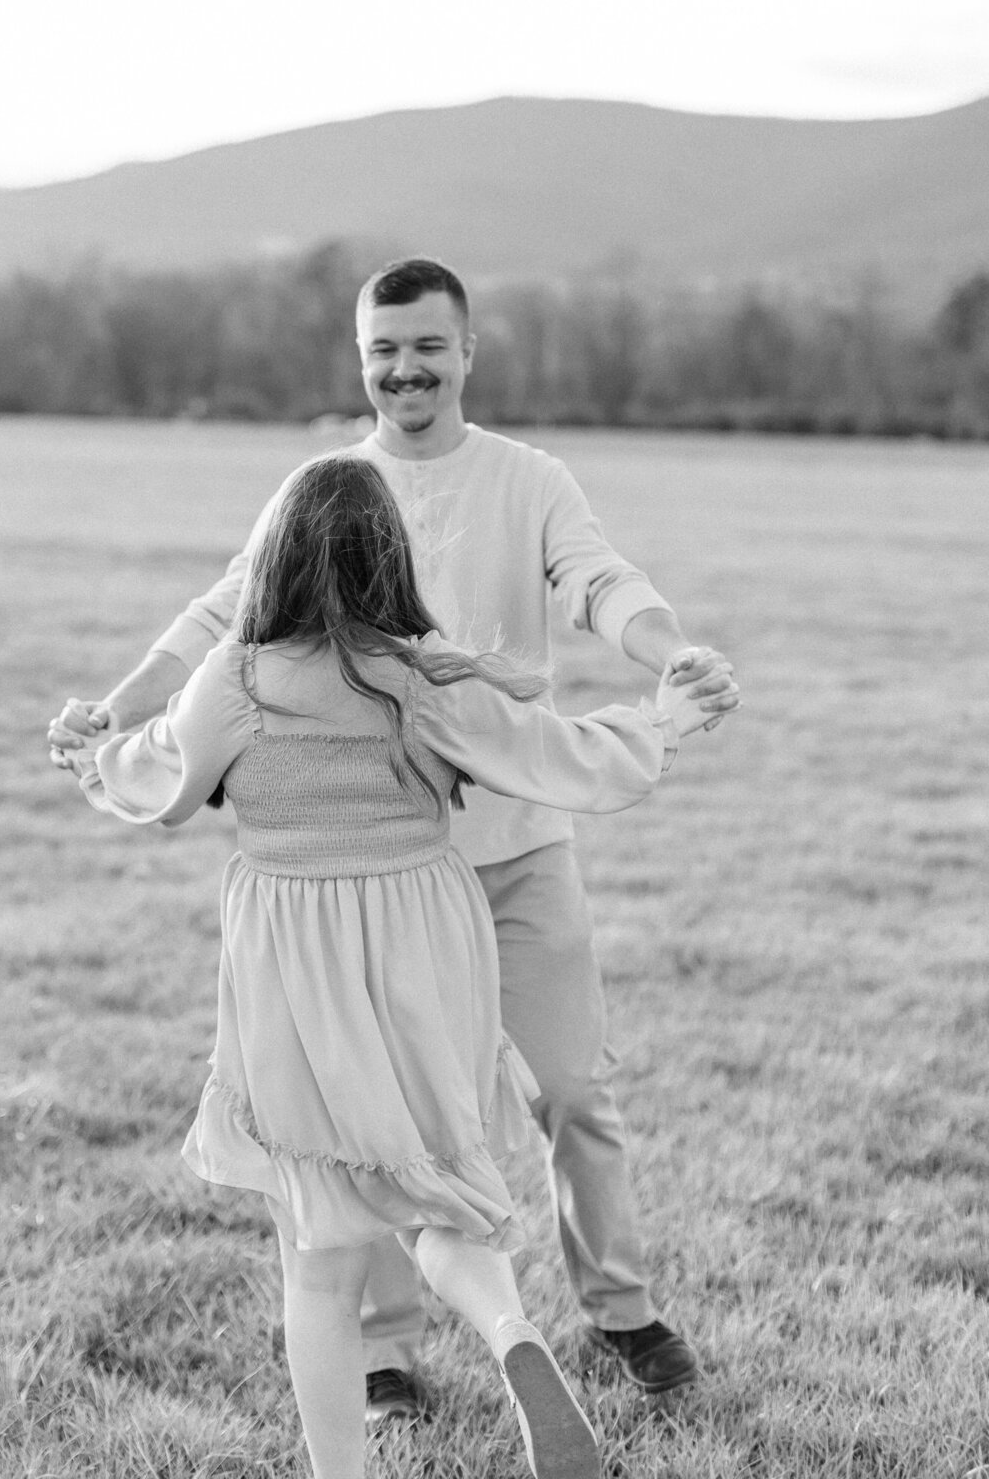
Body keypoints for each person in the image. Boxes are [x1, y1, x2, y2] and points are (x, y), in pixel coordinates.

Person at [50, 256, 740, 1417]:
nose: (404, 368)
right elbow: (219, 616)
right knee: (363, 1124)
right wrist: (115, 705)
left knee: (569, 1089)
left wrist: (665, 649)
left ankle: (619, 1311)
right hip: (388, 872)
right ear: (361, 357)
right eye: (383, 349)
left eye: (426, 346)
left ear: (468, 352)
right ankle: (387, 1356)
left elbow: (600, 581)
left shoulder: (527, 481)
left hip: (509, 855)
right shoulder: (321, 486)